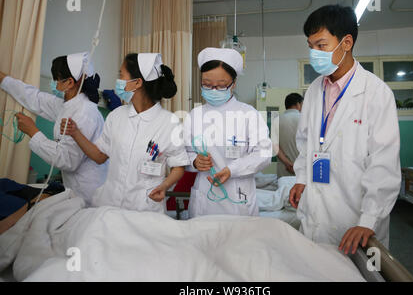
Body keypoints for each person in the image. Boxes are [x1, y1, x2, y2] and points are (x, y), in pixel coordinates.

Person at [289, 5, 401, 254]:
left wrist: (368, 220)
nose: (314, 53)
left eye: (321, 45)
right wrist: (302, 179)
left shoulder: (376, 93)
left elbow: (383, 163)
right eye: (310, 46)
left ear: (346, 42)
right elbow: (306, 143)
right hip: (315, 210)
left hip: (355, 217)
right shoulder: (314, 91)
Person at [61, 53, 189, 213]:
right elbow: (99, 156)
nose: (119, 80)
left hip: (144, 207)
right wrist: (75, 133)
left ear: (137, 82)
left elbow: (178, 166)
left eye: (121, 75)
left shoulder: (169, 122)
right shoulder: (117, 116)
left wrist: (164, 186)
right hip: (109, 205)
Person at [0, 52, 107, 205]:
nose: (54, 83)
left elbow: (68, 160)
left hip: (88, 196)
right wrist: (3, 80)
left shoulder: (84, 113)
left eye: (56, 79)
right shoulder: (68, 105)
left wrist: (33, 131)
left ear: (70, 82)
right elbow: (35, 98)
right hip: (76, 192)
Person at [184, 47, 272, 218]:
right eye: (207, 85)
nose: (214, 90)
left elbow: (263, 154)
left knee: (239, 243)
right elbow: (182, 153)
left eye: (221, 85)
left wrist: (232, 170)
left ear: (234, 83)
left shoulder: (248, 114)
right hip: (204, 200)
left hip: (238, 197)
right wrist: (194, 162)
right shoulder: (194, 115)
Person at [272, 93, 303, 177]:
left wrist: (288, 163)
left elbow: (275, 147)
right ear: (298, 104)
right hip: (302, 169)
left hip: (284, 170)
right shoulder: (305, 119)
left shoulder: (276, 120)